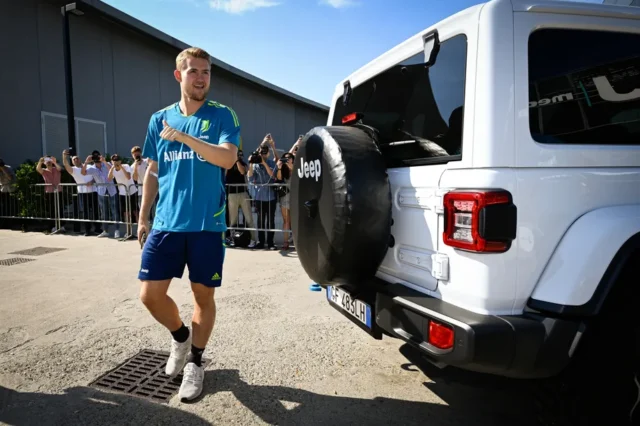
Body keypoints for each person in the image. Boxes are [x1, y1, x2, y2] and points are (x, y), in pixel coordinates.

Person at [137, 46, 240, 402]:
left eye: (206, 72)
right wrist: (143, 214)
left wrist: (185, 138)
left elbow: (227, 159)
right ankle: (181, 337)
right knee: (150, 295)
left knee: (202, 296)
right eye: (194, 71)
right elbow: (153, 170)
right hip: (166, 222)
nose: (201, 78)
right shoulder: (159, 119)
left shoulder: (222, 115)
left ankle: (196, 362)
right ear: (179, 75)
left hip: (206, 226)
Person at [247, 135, 278, 250]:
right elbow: (249, 177)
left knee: (270, 220)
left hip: (270, 196)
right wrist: (251, 163)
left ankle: (270, 242)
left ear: (268, 153)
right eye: (262, 153)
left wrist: (264, 163)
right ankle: (261, 241)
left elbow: (273, 176)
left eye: (265, 153)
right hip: (259, 196)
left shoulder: (271, 163)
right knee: (260, 220)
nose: (263, 155)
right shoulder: (255, 164)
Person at [62, 150, 101, 236]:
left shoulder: (89, 166)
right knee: (86, 212)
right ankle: (87, 230)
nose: (76, 160)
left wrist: (92, 181)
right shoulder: (73, 170)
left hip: (94, 191)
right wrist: (64, 157)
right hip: (82, 193)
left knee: (96, 211)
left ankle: (98, 228)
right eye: (74, 159)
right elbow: (66, 165)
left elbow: (97, 176)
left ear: (80, 159)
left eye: (77, 159)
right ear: (72, 162)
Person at [81, 151, 119, 238]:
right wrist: (86, 162)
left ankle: (117, 230)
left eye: (97, 157)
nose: (97, 159)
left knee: (114, 210)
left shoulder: (107, 164)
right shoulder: (92, 168)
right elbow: (83, 173)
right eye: (95, 158)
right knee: (103, 212)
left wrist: (104, 161)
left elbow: (113, 170)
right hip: (101, 191)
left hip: (111, 190)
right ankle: (105, 230)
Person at [225, 149, 257, 248]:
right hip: (232, 194)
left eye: (240, 155)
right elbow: (225, 174)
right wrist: (230, 161)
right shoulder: (228, 164)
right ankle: (232, 239)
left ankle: (253, 239)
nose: (239, 156)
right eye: (238, 155)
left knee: (248, 218)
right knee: (233, 220)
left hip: (243, 193)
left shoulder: (243, 163)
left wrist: (237, 161)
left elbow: (243, 171)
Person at [108, 154, 137, 239]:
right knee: (126, 213)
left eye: (117, 160)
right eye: (114, 160)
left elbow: (128, 177)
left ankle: (140, 230)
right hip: (122, 192)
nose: (116, 161)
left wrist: (121, 167)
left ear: (120, 161)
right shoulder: (112, 169)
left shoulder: (126, 166)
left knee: (135, 211)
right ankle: (128, 231)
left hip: (131, 191)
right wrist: (113, 167)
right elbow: (109, 178)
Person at [36, 156, 66, 234]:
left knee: (60, 209)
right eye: (47, 161)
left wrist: (55, 162)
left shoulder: (56, 169)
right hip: (49, 192)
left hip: (58, 191)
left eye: (49, 161)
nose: (48, 162)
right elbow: (38, 169)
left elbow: (61, 169)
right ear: (45, 163)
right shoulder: (44, 171)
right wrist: (40, 161)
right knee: (51, 210)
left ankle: (61, 226)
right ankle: (53, 226)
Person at [276, 152, 294, 250]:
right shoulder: (283, 169)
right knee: (286, 221)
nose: (288, 159)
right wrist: (279, 167)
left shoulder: (297, 167)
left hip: (296, 198)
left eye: (289, 158)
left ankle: (296, 241)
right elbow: (279, 178)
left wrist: (290, 165)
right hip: (286, 197)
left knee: (295, 221)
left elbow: (298, 175)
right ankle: (285, 242)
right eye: (286, 158)